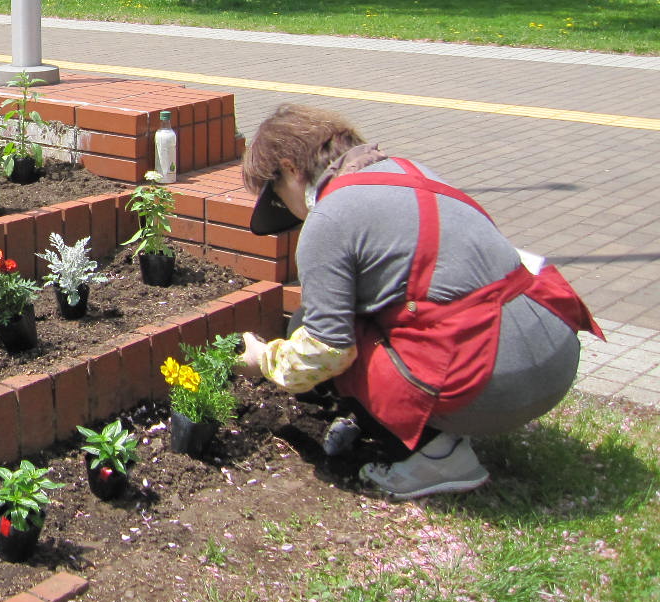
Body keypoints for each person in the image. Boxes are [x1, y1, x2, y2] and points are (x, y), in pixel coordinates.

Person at [238, 103, 601, 499]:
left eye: (277, 194)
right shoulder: (406, 170)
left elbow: (327, 350)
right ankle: (430, 428)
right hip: (555, 353)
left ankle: (438, 457)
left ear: (290, 169)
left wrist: (264, 360)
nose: (287, 209)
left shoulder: (329, 219)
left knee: (311, 330)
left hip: (497, 384)